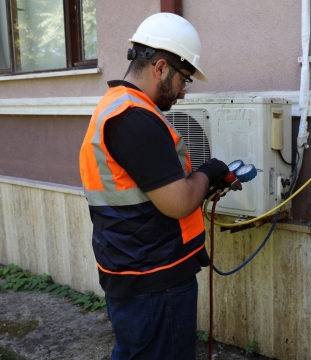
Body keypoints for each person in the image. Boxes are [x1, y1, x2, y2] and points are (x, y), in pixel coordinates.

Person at [79, 13, 230, 359]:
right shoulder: (135, 119)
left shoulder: (115, 108)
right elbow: (177, 203)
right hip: (153, 281)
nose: (183, 92)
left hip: (136, 269)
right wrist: (209, 172)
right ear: (161, 68)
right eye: (184, 79)